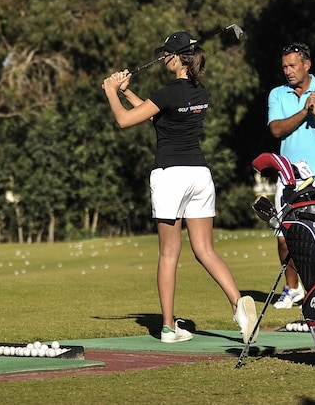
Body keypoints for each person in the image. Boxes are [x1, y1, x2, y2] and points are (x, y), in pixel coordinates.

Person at [102, 31, 258, 345]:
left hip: (170, 175)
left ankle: (168, 327)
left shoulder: (168, 92)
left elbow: (125, 121)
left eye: (166, 55)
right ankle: (237, 304)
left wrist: (110, 91)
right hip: (199, 175)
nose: (163, 60)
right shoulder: (199, 92)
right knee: (205, 250)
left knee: (169, 253)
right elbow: (157, 117)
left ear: (176, 58)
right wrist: (127, 91)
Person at [267, 42, 315, 309]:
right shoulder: (278, 94)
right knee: (284, 236)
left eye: (292, 66)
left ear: (307, 65)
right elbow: (276, 130)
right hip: (288, 176)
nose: (288, 71)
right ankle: (292, 289)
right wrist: (303, 112)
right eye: (284, 67)